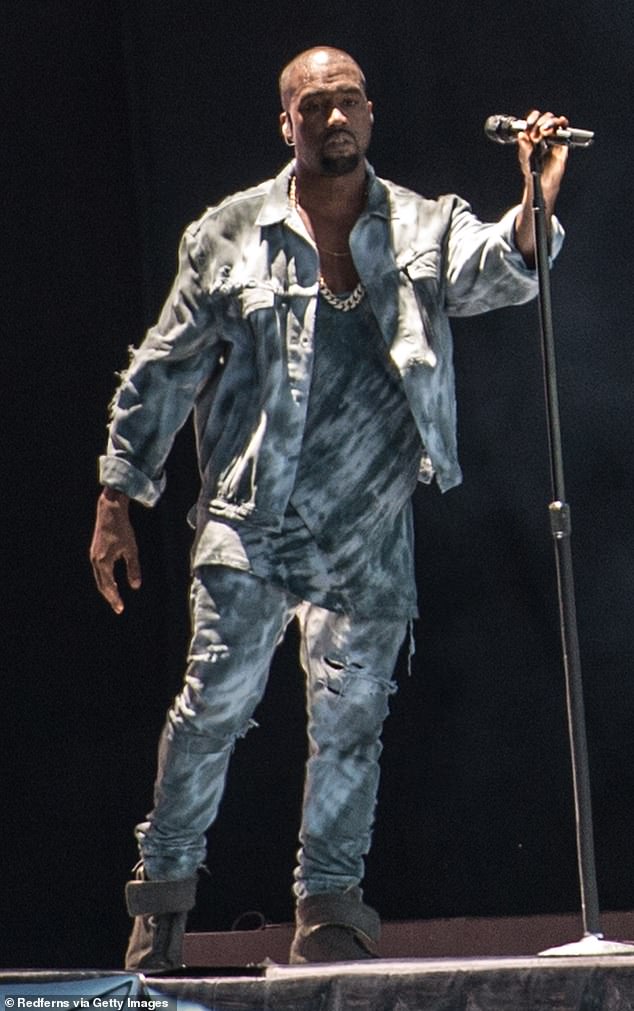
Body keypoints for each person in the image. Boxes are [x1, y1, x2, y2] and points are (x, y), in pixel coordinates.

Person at [90, 46, 569, 970]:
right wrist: (120, 492)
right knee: (212, 706)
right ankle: (163, 896)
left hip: (367, 524)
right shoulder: (230, 233)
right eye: (314, 106)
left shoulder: (424, 225)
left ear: (371, 113)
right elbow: (164, 368)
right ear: (288, 124)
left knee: (352, 722)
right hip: (252, 516)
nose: (334, 118)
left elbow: (500, 263)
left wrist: (536, 191)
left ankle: (331, 904)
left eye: (347, 101)